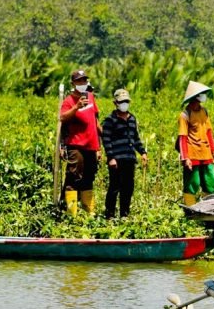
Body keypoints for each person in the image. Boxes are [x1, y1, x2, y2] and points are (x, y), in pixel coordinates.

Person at [101, 89, 148, 218]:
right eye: (121, 102)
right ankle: (109, 215)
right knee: (114, 187)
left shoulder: (132, 118)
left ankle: (124, 215)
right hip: (116, 159)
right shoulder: (110, 120)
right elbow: (106, 139)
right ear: (115, 103)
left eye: (126, 101)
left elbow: (135, 138)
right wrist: (111, 157)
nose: (124, 104)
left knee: (128, 188)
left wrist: (142, 152)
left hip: (129, 158)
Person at [60, 69, 101, 216]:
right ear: (73, 83)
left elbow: (95, 121)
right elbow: (62, 118)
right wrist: (76, 107)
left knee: (89, 177)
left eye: (84, 80)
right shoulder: (69, 101)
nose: (82, 83)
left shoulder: (90, 97)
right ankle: (71, 215)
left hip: (91, 145)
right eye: (79, 81)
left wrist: (99, 147)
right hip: (76, 145)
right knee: (74, 177)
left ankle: (89, 214)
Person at [177, 81, 214, 206]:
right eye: (202, 94)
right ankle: (190, 209)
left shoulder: (204, 112)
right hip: (192, 155)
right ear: (195, 97)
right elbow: (182, 137)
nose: (204, 96)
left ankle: (210, 208)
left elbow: (209, 132)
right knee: (192, 184)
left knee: (211, 184)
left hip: (206, 154)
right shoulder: (184, 115)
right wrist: (185, 158)